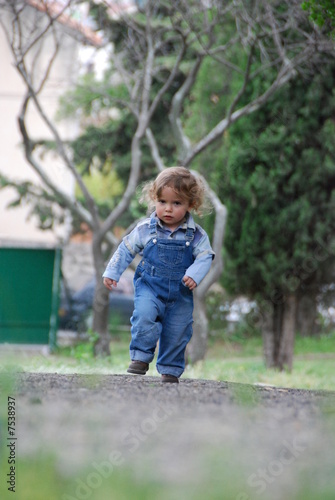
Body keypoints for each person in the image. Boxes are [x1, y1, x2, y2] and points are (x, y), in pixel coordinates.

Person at [103, 167, 214, 383]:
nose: (168, 209)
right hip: (149, 287)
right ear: (154, 199)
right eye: (162, 202)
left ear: (191, 204)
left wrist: (194, 274)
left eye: (177, 203)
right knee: (144, 315)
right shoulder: (145, 229)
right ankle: (141, 357)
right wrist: (112, 271)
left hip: (180, 293)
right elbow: (125, 249)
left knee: (178, 330)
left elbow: (205, 256)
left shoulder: (197, 235)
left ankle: (170, 370)